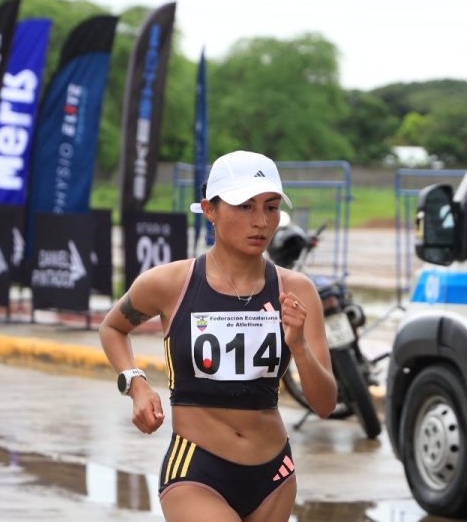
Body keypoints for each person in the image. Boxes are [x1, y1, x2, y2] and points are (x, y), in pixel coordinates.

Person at [100, 150, 337, 522]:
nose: (261, 221)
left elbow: (325, 405)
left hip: (274, 475)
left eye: (271, 207)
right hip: (196, 471)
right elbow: (113, 327)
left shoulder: (297, 290)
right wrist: (136, 383)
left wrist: (299, 347)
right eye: (245, 206)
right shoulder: (170, 283)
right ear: (209, 209)